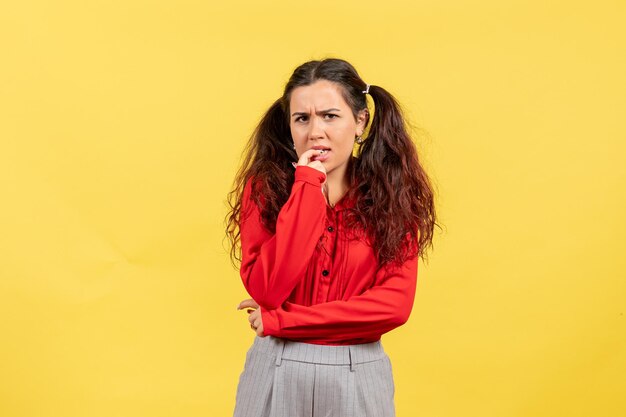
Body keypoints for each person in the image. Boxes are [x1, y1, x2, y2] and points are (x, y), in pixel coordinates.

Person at [225, 57, 437, 417]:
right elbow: (268, 289)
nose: (315, 132)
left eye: (330, 116)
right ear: (288, 126)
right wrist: (307, 184)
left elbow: (392, 306)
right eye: (302, 119)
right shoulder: (264, 190)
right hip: (276, 367)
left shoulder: (392, 195)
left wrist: (282, 320)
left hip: (358, 371)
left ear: (360, 122)